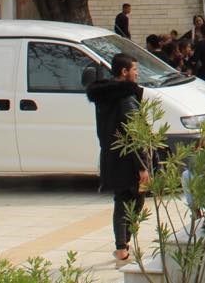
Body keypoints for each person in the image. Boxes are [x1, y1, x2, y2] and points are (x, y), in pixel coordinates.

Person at [86, 53, 148, 262]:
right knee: (131, 200)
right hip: (128, 159)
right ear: (124, 71)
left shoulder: (104, 97)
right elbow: (134, 133)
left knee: (123, 200)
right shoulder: (125, 99)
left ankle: (122, 246)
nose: (137, 74)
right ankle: (122, 247)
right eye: (135, 69)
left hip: (111, 156)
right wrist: (142, 165)